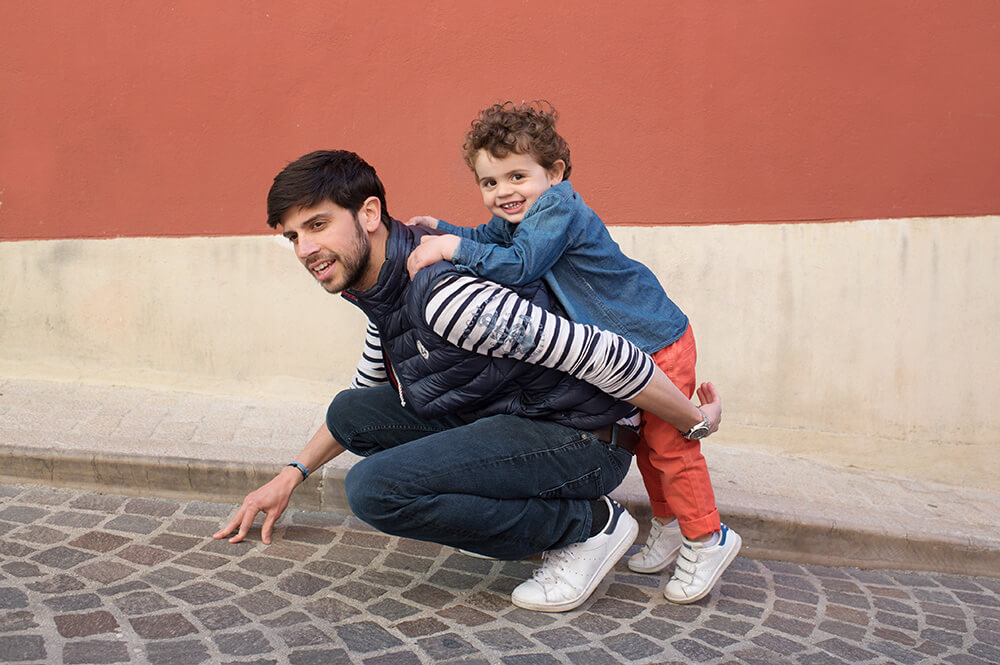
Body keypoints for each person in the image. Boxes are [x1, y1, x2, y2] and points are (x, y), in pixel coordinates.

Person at [214, 149, 722, 613]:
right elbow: (366, 395)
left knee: (375, 490)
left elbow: (605, 353)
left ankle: (589, 526)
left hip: (582, 440)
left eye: (317, 225)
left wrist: (694, 421)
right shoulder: (379, 288)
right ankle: (538, 512)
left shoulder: (445, 296)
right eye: (293, 236)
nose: (305, 248)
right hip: (515, 417)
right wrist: (290, 475)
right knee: (351, 412)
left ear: (369, 214)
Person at [405, 101, 740, 604]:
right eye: (489, 183)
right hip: (629, 346)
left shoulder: (558, 208)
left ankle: (707, 537)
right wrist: (445, 229)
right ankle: (669, 526)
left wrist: (451, 250)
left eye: (517, 176)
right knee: (648, 444)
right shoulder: (522, 214)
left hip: (656, 338)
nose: (502, 192)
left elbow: (517, 266)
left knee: (671, 446)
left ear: (555, 173)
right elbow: (489, 238)